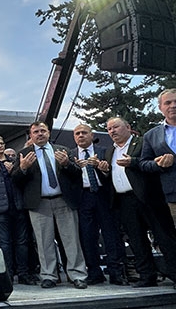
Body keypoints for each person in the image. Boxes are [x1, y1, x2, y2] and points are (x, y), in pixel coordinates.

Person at [11, 121, 88, 289]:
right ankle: (48, 276)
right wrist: (23, 168)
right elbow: (15, 180)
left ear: (48, 133)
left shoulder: (63, 150)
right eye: (36, 131)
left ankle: (78, 275)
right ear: (30, 135)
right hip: (39, 203)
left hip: (63, 200)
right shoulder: (23, 154)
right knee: (43, 242)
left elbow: (76, 175)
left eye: (43, 131)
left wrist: (67, 164)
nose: (40, 134)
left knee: (71, 240)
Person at [105, 117, 176, 288]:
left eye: (116, 127)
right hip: (124, 201)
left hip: (148, 198)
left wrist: (133, 162)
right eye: (109, 129)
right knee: (137, 241)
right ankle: (147, 276)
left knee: (164, 237)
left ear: (128, 127)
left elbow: (154, 164)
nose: (112, 131)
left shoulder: (143, 142)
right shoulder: (109, 152)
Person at [70, 124, 127, 285]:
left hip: (103, 196)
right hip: (83, 198)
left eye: (84, 133)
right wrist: (71, 166)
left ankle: (116, 272)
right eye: (77, 133)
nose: (80, 136)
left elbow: (112, 174)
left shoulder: (105, 151)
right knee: (87, 237)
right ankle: (94, 272)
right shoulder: (70, 155)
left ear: (91, 134)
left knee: (111, 235)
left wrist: (102, 169)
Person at [0, 136, 36, 285]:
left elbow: (25, 182)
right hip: (0, 209)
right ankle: (8, 275)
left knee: (22, 242)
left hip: (18, 206)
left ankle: (23, 273)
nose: (0, 146)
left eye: (2, 143)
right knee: (4, 243)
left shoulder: (14, 162)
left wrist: (16, 171)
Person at [140, 89, 176, 224]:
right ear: (160, 108)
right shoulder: (151, 135)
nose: (173, 105)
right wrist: (157, 164)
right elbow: (143, 163)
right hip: (172, 197)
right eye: (168, 102)